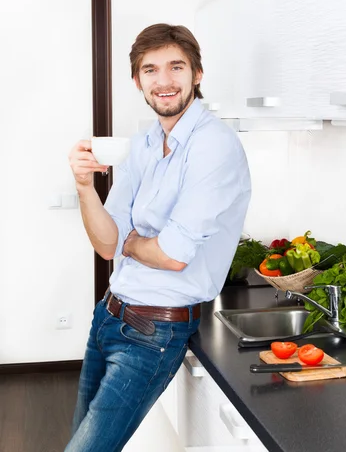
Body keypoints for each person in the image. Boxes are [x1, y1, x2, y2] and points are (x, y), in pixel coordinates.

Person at [65, 23, 251, 452]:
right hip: (109, 316)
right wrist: (84, 188)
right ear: (138, 81)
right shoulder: (144, 143)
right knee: (81, 439)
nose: (163, 81)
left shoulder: (213, 146)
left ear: (196, 74)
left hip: (153, 332)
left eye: (176, 67)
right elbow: (106, 244)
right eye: (151, 70)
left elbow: (172, 256)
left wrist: (131, 241)